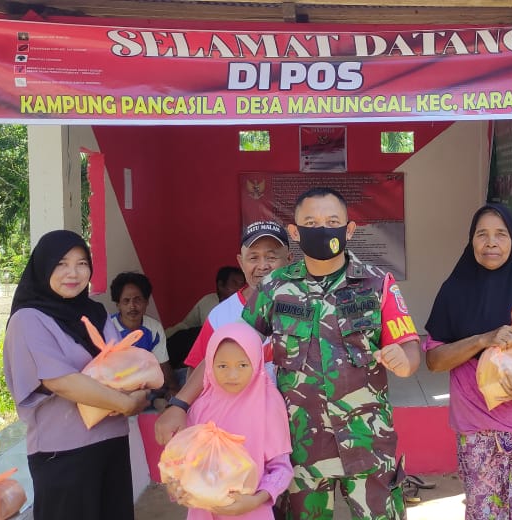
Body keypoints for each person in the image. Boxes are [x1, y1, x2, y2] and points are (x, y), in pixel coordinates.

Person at [244, 187, 422, 519]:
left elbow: (410, 346)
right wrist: (182, 404)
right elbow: (237, 347)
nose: (322, 228)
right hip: (300, 447)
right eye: (311, 222)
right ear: (295, 232)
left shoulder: (377, 283)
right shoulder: (274, 288)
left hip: (367, 441)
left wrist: (406, 361)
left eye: (332, 220)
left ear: (348, 230)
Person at [424, 203, 512, 520]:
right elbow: (434, 360)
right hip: (476, 424)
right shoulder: (454, 291)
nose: (491, 243)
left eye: (501, 234)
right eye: (482, 234)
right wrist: (482, 340)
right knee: (482, 511)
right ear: (471, 241)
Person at [3, 230, 151, 520]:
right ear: (43, 266)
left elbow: (123, 367)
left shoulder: (95, 313)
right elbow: (61, 381)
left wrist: (140, 387)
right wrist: (125, 403)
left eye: (82, 263)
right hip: (63, 453)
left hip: (111, 443)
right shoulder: (28, 319)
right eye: (61, 263)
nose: (73, 272)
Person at [154, 221, 292, 444]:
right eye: (253, 257)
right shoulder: (222, 315)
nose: (263, 265)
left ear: (289, 260)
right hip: (236, 434)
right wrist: (181, 406)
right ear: (241, 261)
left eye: (272, 257)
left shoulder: (307, 307)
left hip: (294, 429)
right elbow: (199, 369)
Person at [172, 321, 292, 520]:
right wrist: (179, 485)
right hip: (203, 512)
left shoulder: (268, 403)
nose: (232, 374)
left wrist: (255, 500)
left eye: (243, 365)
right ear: (210, 364)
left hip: (251, 512)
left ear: (256, 361)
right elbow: (184, 462)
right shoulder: (200, 407)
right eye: (222, 366)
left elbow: (281, 468)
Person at [109, 272, 178, 400]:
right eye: (126, 301)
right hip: (116, 388)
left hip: (146, 386)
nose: (132, 306)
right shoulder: (107, 328)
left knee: (183, 377)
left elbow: (163, 365)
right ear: (118, 304)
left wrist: (175, 391)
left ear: (146, 302)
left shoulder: (154, 328)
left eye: (137, 300)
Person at [166, 266, 245, 339]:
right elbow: (212, 333)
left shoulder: (246, 307)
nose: (239, 289)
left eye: (242, 285)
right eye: (235, 284)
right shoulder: (210, 301)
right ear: (221, 285)